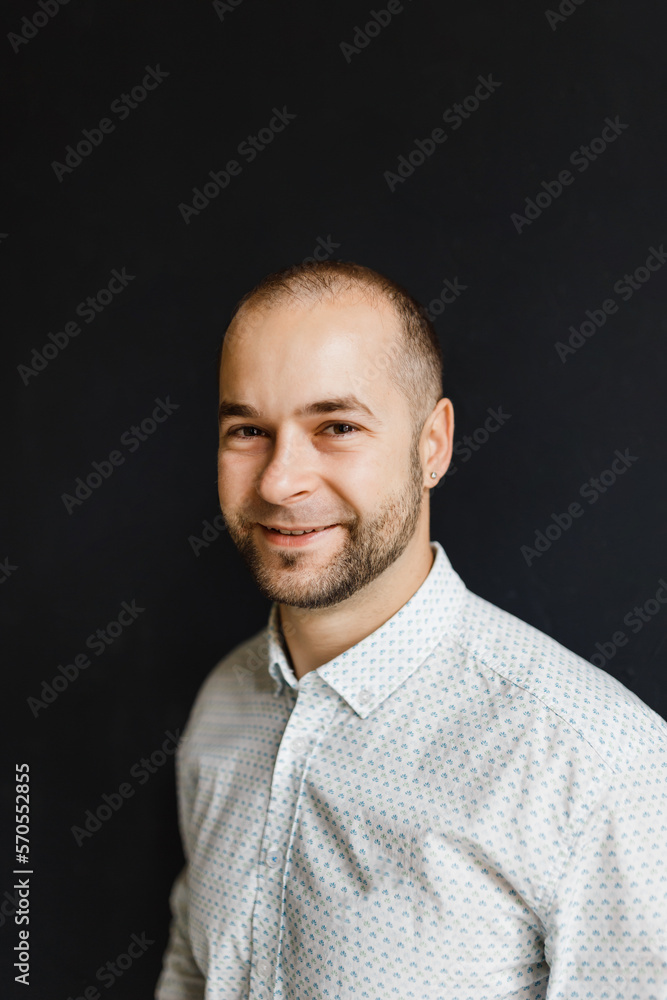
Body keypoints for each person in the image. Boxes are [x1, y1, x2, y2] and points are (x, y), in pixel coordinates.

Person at [155, 260, 667, 1000]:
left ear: (431, 445)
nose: (277, 481)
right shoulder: (223, 704)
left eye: (336, 426)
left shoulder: (598, 767)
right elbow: (192, 970)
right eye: (247, 430)